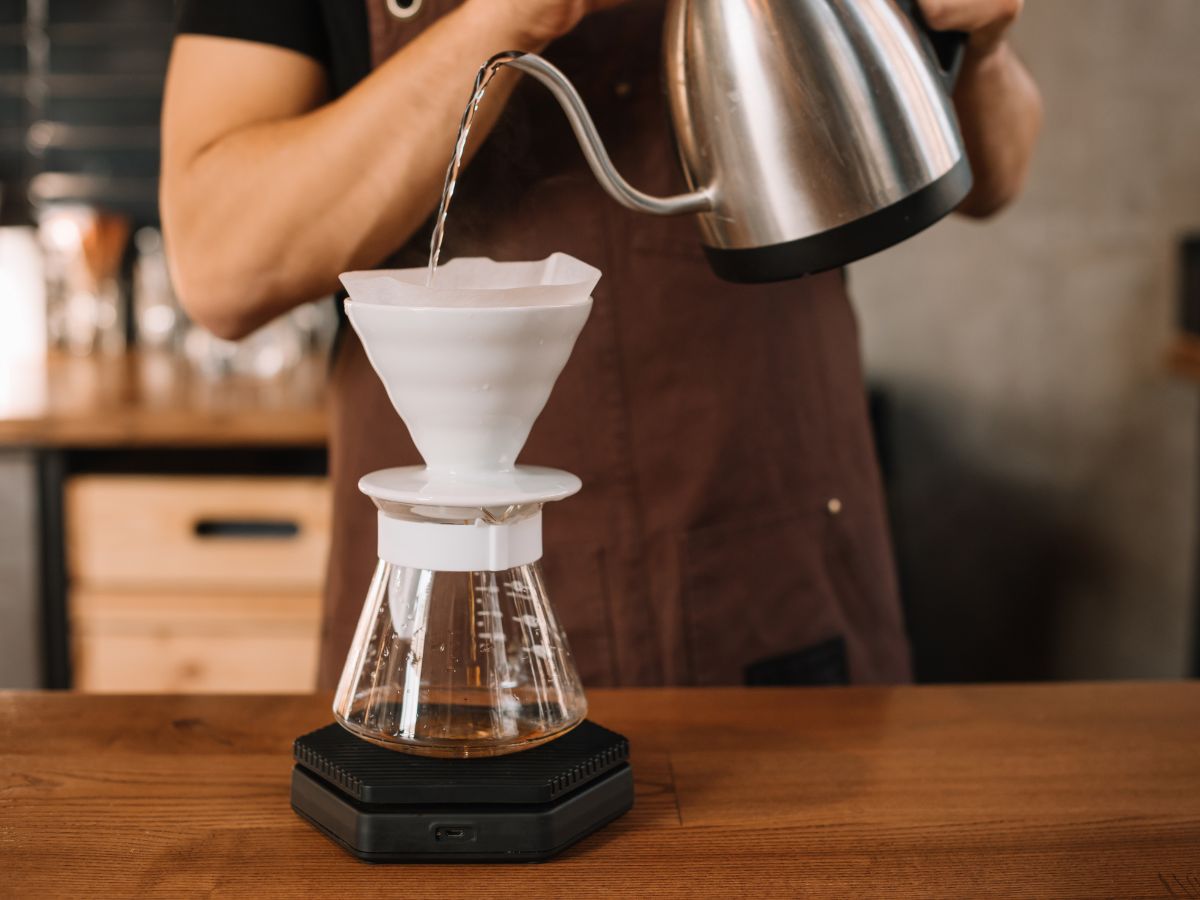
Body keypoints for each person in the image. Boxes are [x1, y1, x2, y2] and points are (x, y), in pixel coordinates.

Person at [162, 0, 1041, 688]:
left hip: (774, 581)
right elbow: (222, 267)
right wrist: (503, 17)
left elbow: (992, 174)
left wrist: (986, 50)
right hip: (446, 602)